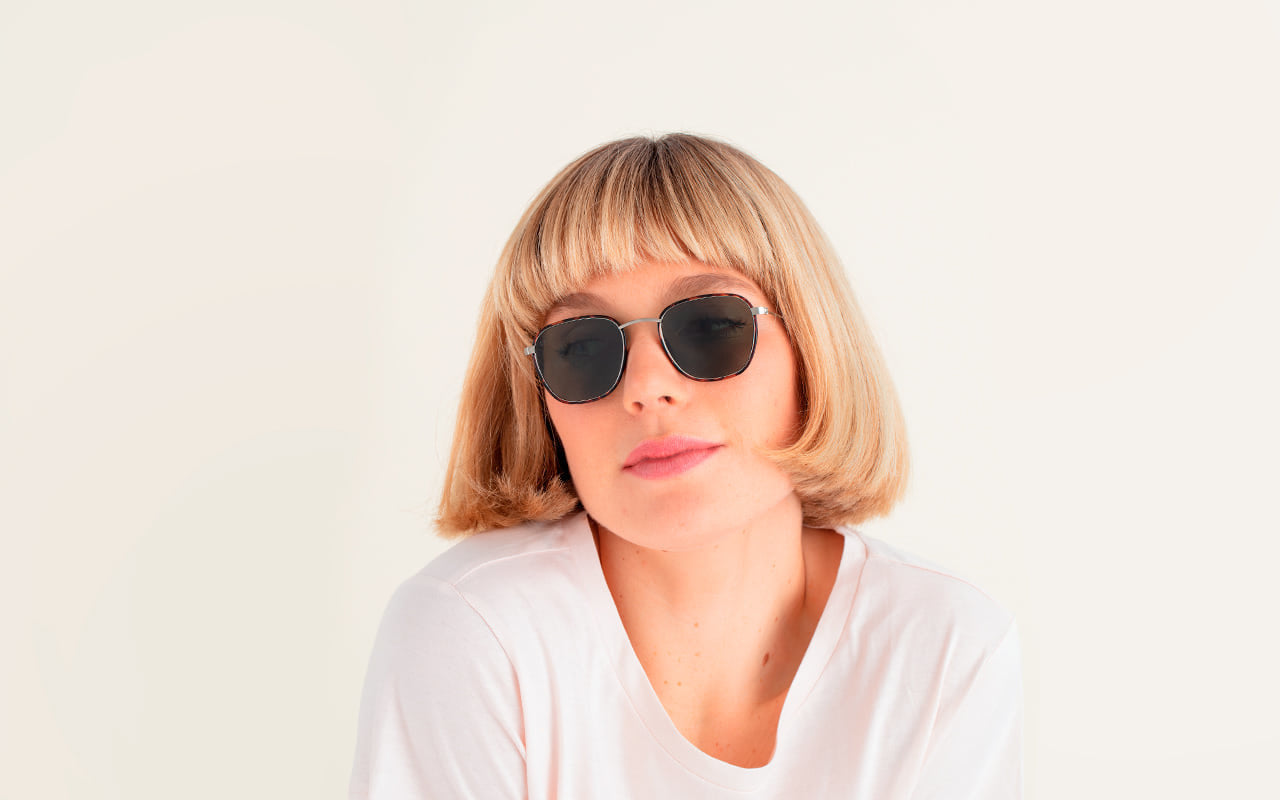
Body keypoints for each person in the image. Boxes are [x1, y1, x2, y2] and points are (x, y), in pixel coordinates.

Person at [349, 133, 1023, 798]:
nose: (647, 388)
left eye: (710, 326)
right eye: (580, 347)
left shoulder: (942, 647)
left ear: (812, 346)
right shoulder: (476, 630)